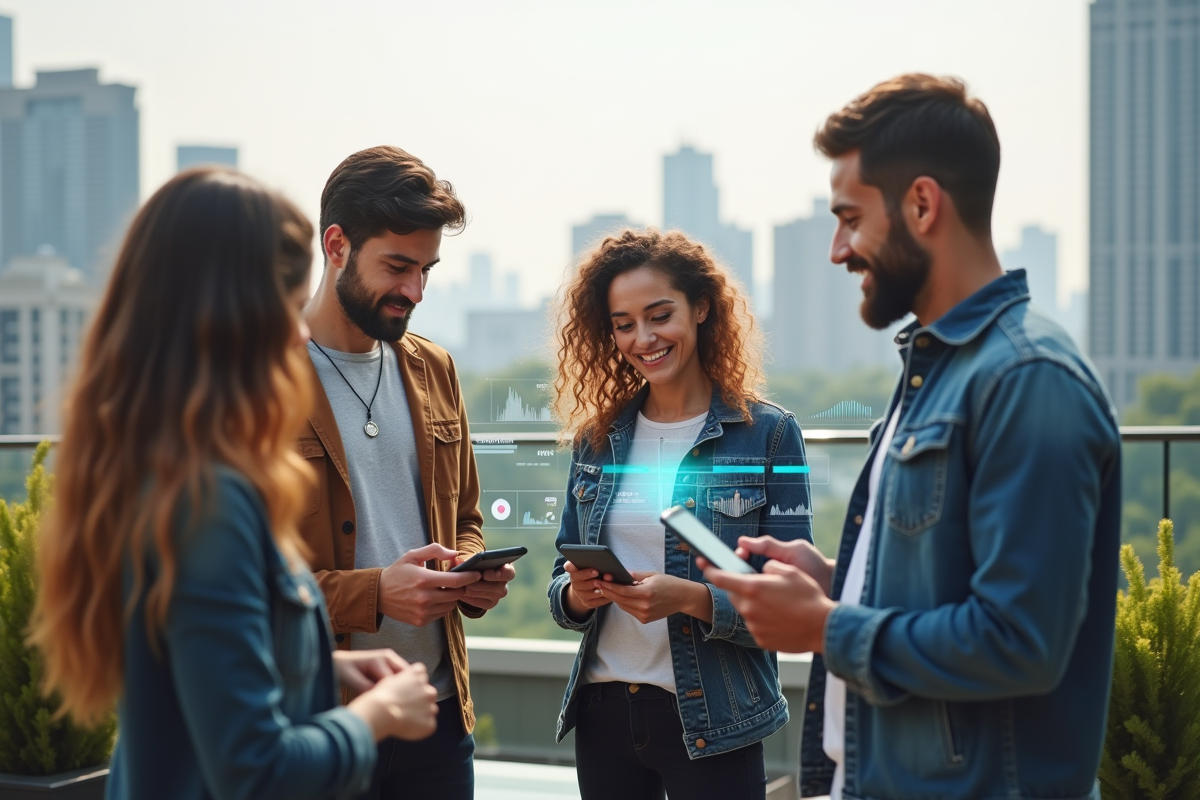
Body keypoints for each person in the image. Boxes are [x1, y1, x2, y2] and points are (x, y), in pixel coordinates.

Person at [702, 74, 1122, 800]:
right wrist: (842, 584)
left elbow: (1019, 643)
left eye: (850, 218)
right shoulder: (934, 370)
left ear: (923, 205)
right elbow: (952, 589)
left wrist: (829, 625)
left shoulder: (1028, 381)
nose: (837, 249)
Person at [30, 168, 440, 800]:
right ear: (229, 316)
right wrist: (378, 715)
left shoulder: (162, 469)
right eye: (284, 303)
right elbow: (254, 770)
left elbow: (196, 673)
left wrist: (319, 667)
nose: (299, 329)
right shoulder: (209, 504)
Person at [547, 229, 814, 800]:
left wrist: (688, 599)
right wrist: (577, 594)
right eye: (623, 324)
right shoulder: (596, 440)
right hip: (604, 710)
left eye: (659, 315)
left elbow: (791, 602)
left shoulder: (768, 436)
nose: (643, 338)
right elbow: (559, 584)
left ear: (701, 308)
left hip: (716, 720)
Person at [299, 145, 514, 800]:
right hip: (322, 717)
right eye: (397, 266)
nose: (414, 291)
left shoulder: (434, 368)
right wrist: (375, 594)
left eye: (426, 270)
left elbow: (467, 518)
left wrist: (470, 571)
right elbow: (240, 584)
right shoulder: (256, 381)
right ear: (337, 245)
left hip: (437, 715)